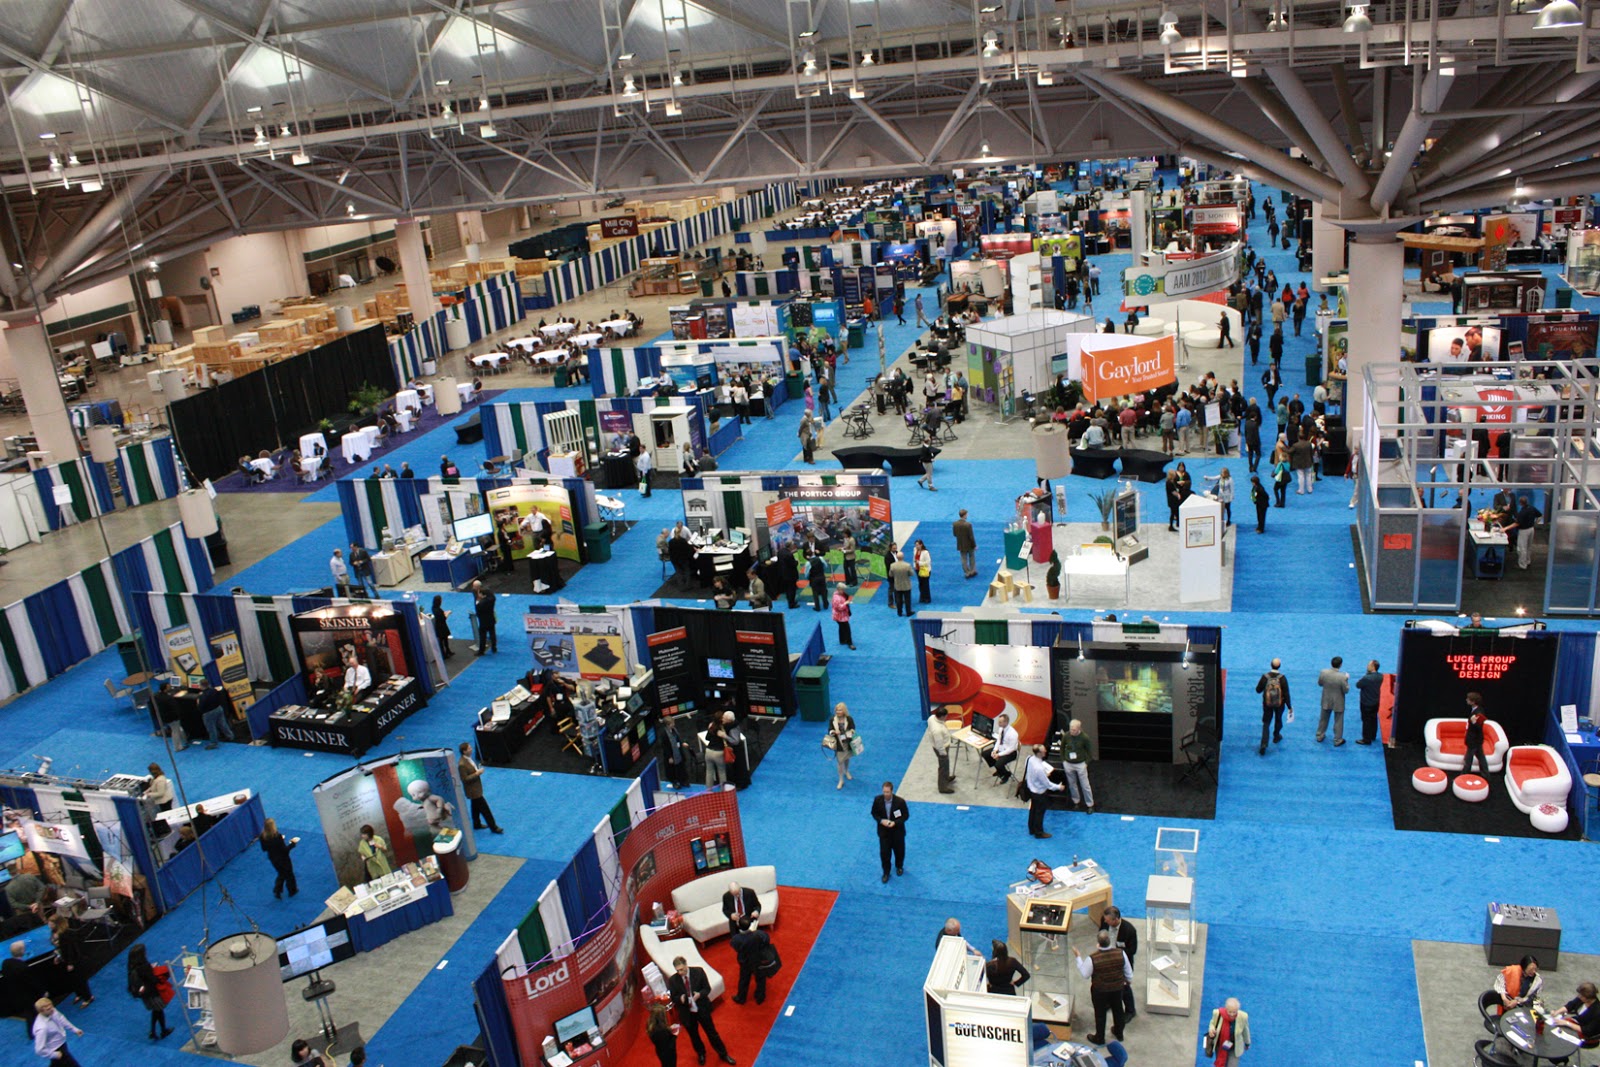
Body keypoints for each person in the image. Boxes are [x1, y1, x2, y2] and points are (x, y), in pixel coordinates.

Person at [668, 957, 736, 1065]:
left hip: (702, 1008)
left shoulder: (698, 972)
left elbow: (707, 988)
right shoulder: (673, 980)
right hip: (687, 1013)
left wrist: (699, 995)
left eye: (681, 969)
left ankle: (723, 1054)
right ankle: (701, 1054)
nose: (680, 972)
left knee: (712, 1033)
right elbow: (673, 997)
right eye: (677, 970)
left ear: (686, 964)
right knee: (694, 1036)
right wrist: (680, 999)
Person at [1072, 930, 1132, 1045]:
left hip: (1100, 990)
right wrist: (1127, 982)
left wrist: (1078, 957)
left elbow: (1085, 974)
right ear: (1110, 941)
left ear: (1098, 943)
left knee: (1100, 1014)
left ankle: (1100, 1038)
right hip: (1117, 988)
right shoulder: (1120, 953)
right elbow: (1128, 972)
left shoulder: (1092, 958)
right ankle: (1119, 1033)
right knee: (1118, 1010)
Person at [126, 942, 173, 1041]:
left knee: (156, 1011)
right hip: (152, 993)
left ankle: (153, 1031)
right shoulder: (144, 966)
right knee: (159, 1010)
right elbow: (153, 979)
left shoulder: (132, 968)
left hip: (145, 996)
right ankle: (163, 1030)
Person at [1099, 906, 1138, 1020]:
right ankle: (1110, 1002)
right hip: (1107, 959)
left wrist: (1116, 952)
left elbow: (1132, 950)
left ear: (1115, 920)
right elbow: (1101, 933)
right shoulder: (1105, 921)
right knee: (1109, 983)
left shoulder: (1129, 930)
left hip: (1122, 962)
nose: (1105, 921)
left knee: (1124, 987)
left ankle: (1130, 1010)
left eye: (1108, 920)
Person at [459, 743, 503, 834]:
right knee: (485, 809)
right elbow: (464, 779)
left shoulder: (468, 759)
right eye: (469, 748)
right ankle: (494, 827)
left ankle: (476, 824)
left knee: (475, 807)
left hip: (475, 788)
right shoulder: (462, 764)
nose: (471, 749)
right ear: (464, 751)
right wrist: (477, 774)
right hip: (473, 790)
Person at [871, 781, 909, 883]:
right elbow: (874, 813)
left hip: (897, 832)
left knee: (899, 852)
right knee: (884, 854)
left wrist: (895, 823)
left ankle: (899, 866)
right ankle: (886, 872)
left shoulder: (900, 802)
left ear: (892, 791)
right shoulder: (877, 800)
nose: (886, 794)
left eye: (887, 792)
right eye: (884, 792)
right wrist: (881, 821)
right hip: (884, 833)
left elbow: (905, 816)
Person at [730, 915, 773, 1006]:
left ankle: (741, 998)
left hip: (745, 962)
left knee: (744, 979)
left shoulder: (736, 939)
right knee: (761, 979)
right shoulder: (759, 934)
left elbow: (735, 947)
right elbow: (767, 939)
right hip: (759, 960)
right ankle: (760, 997)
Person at [1022, 744, 1063, 839]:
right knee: (1039, 812)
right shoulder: (1039, 768)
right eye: (1044, 750)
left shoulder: (1029, 759)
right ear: (1039, 753)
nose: (1045, 751)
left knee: (1033, 810)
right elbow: (1047, 784)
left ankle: (1031, 829)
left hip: (1031, 789)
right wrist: (1059, 787)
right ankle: (1039, 832)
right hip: (1039, 792)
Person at [4, 941, 43, 1040]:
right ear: (22, 951)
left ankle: (32, 1032)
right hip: (27, 996)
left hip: (15, 994)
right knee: (32, 1014)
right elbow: (32, 983)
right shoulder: (23, 968)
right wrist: (42, 993)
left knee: (29, 1014)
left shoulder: (6, 963)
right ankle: (34, 1033)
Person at [1255, 658, 1291, 756]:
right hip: (1280, 704)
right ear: (1279, 666)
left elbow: (1258, 690)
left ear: (1271, 665)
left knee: (1266, 723)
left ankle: (1263, 744)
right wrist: (1289, 706)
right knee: (1278, 719)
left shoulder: (1265, 677)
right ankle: (1276, 736)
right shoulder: (1282, 678)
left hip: (1267, 704)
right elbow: (1286, 693)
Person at [32, 998, 83, 1066]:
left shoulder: (51, 1011)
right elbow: (39, 1049)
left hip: (62, 1042)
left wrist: (74, 1029)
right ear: (41, 1011)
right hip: (56, 1049)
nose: (52, 1010)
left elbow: (61, 1019)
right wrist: (54, 1054)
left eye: (51, 1007)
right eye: (48, 1009)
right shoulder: (41, 1028)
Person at [1059, 719, 1095, 812]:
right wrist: (1064, 761)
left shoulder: (1084, 737)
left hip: (1080, 764)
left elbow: (1090, 752)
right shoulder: (1066, 736)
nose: (1072, 731)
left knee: (1085, 785)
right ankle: (1076, 802)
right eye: (1071, 729)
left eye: (1074, 730)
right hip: (1068, 764)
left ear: (1079, 729)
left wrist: (1086, 763)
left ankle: (1090, 804)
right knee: (1072, 784)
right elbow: (1062, 748)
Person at [259, 817, 298, 898]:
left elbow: (264, 849)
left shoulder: (262, 836)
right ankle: (292, 891)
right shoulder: (277, 836)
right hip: (283, 859)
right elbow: (285, 850)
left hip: (273, 859)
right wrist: (292, 844)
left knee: (281, 873)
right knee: (289, 874)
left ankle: (278, 890)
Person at [1315, 656, 1350, 746]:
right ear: (1340, 665)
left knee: (1323, 719)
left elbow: (1320, 683)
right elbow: (1346, 690)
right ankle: (1338, 740)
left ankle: (1320, 735)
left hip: (1326, 700)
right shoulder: (1342, 677)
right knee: (1338, 721)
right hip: (1338, 702)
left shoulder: (1323, 672)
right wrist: (1347, 680)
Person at [1205, 998, 1251, 1066]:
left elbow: (1245, 1031)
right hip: (1220, 1045)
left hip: (1234, 1046)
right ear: (1226, 1009)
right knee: (1222, 1063)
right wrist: (1211, 1029)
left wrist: (1247, 1043)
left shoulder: (1243, 1017)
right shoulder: (1218, 1013)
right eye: (1230, 1012)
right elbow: (1212, 1024)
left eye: (1234, 1012)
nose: (1232, 1014)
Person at [983, 713, 1020, 783]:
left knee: (998, 764)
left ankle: (1006, 774)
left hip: (1010, 753)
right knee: (985, 754)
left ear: (1005, 722)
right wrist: (995, 750)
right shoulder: (1001, 729)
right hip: (1001, 748)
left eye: (1000, 722)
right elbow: (999, 740)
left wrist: (999, 755)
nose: (998, 723)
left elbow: (1011, 749)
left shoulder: (1013, 734)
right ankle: (1000, 771)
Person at [827, 703, 857, 789]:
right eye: (837, 710)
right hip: (839, 743)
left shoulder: (849, 718)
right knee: (840, 761)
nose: (838, 712)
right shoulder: (832, 719)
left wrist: (850, 732)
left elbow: (853, 728)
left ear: (844, 711)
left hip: (847, 742)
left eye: (840, 710)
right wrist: (833, 732)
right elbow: (829, 730)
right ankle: (841, 780)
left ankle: (846, 771)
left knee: (847, 758)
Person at [1355, 660, 1384, 746]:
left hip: (1366, 703)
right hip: (1375, 701)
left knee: (1366, 720)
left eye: (1369, 665)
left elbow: (1358, 685)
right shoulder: (1380, 676)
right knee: (1374, 718)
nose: (1367, 666)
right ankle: (1373, 735)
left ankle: (1366, 739)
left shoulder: (1367, 678)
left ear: (1373, 667)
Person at [1462, 692, 1490, 780]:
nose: (1466, 700)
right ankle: (1486, 775)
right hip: (1476, 740)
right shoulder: (1475, 709)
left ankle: (1464, 776)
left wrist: (1474, 723)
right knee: (1481, 757)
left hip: (1474, 740)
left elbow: (1479, 727)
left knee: (1468, 759)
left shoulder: (1479, 712)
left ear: (1473, 702)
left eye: (1468, 699)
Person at [927, 710, 955, 794]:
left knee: (946, 765)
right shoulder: (937, 730)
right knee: (943, 767)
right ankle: (942, 787)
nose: (947, 717)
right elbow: (939, 745)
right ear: (942, 716)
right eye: (946, 716)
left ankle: (946, 778)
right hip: (941, 749)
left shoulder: (932, 718)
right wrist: (943, 753)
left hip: (940, 746)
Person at [646, 1000, 679, 1067]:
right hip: (668, 1055)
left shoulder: (651, 1025)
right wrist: (675, 1035)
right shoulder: (661, 1031)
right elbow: (669, 1046)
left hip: (660, 1052)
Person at [473, 580, 497, 654]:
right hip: (491, 618)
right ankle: (494, 647)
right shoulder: (491, 599)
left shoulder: (481, 603)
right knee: (492, 633)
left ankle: (481, 650)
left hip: (483, 621)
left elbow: (478, 609)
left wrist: (479, 600)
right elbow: (493, 597)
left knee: (482, 636)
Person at [952, 509, 977, 579]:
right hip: (969, 544)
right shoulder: (968, 525)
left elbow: (954, 534)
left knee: (963, 559)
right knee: (971, 557)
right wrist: (974, 545)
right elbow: (971, 537)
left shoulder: (955, 524)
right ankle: (973, 571)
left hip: (961, 544)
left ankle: (967, 572)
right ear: (965, 515)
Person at [888, 551, 913, 617]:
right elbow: (911, 573)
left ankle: (899, 612)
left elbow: (890, 574)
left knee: (898, 600)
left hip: (897, 585)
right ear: (903, 557)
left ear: (896, 557)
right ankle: (908, 612)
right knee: (907, 600)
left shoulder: (892, 565)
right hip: (906, 585)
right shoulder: (907, 565)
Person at [831, 583, 855, 650]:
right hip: (840, 616)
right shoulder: (836, 598)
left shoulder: (838, 594)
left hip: (839, 615)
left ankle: (842, 640)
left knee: (841, 627)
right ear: (839, 589)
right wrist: (846, 603)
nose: (844, 591)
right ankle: (850, 643)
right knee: (847, 628)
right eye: (843, 590)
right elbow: (839, 608)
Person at [431, 595, 453, 660]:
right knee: (443, 640)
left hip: (439, 626)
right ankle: (444, 654)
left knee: (443, 640)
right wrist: (448, 613)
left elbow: (441, 614)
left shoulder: (434, 608)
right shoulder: (438, 609)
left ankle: (447, 652)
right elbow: (443, 618)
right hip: (442, 626)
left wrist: (444, 613)